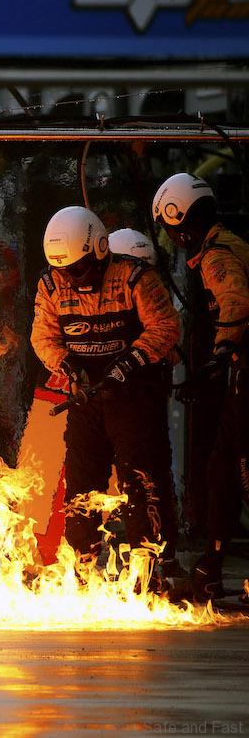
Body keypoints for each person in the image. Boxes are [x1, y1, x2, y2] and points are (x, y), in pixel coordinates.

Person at [31, 206, 183, 586]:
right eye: (65, 270)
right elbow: (42, 337)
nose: (72, 278)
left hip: (132, 398)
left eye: (80, 269)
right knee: (81, 486)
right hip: (86, 400)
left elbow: (166, 326)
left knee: (139, 481)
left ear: (99, 249)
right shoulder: (51, 285)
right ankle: (82, 570)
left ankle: (147, 575)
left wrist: (129, 363)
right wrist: (68, 365)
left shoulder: (135, 277)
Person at [153, 172, 249, 602]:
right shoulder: (225, 245)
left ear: (181, 221)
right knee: (220, 471)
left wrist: (220, 353)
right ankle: (212, 562)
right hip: (239, 373)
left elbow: (236, 302)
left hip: (244, 373)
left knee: (241, 470)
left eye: (170, 228)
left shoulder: (217, 256)